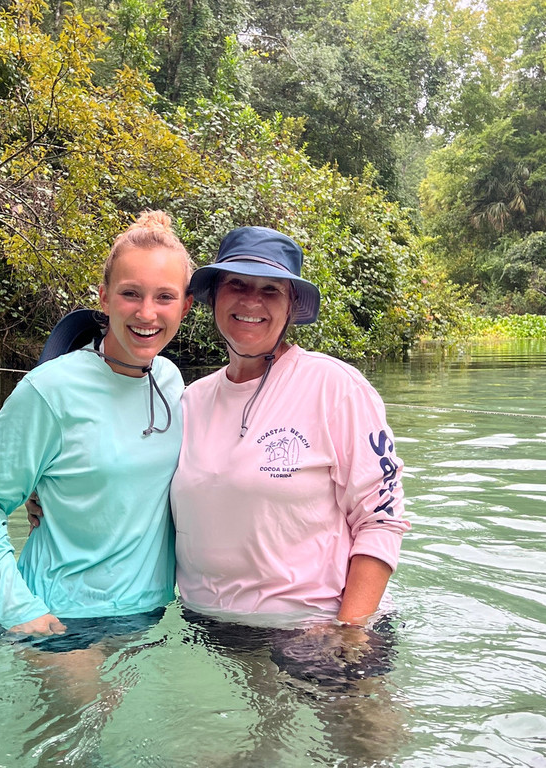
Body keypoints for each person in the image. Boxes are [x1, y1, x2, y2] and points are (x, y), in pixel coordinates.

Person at [0, 210, 193, 646]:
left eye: (164, 297)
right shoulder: (50, 389)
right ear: (103, 297)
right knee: (86, 712)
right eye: (130, 293)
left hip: (150, 613)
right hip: (58, 616)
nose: (146, 312)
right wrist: (18, 608)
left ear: (186, 306)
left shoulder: (173, 382)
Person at [169, 225, 409, 660]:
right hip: (214, 631)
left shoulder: (334, 386)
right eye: (237, 284)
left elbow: (382, 517)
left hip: (317, 627)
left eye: (271, 290)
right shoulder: (190, 401)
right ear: (214, 297)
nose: (251, 301)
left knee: (362, 731)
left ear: (291, 305)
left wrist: (349, 631)